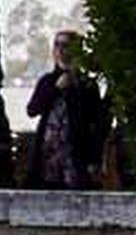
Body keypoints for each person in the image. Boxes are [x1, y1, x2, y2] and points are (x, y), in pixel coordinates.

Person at [26, 32, 117, 190]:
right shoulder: (47, 81)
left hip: (75, 157)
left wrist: (94, 160)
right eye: (57, 45)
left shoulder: (86, 85)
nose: (60, 50)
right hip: (48, 156)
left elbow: (97, 124)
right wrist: (55, 89)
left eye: (65, 45)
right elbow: (33, 110)